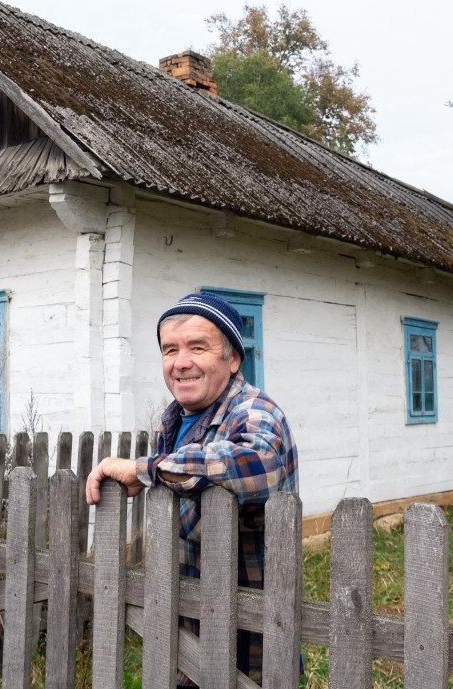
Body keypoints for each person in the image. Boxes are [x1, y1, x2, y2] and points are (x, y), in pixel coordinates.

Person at [85, 291, 299, 685]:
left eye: (197, 347)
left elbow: (260, 464)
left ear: (232, 359)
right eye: (170, 350)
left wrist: (146, 469)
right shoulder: (178, 420)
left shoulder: (254, 410)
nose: (181, 363)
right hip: (190, 614)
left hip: (250, 624)